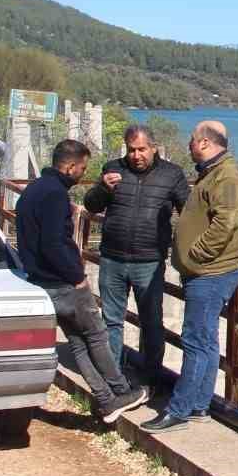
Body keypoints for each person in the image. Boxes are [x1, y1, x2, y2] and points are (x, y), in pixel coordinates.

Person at [16, 138, 149, 424]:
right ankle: (121, 391)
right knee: (96, 335)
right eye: (82, 168)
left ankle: (105, 400)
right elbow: (54, 242)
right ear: (71, 166)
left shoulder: (34, 190)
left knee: (77, 341)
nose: (81, 174)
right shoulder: (54, 195)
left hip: (40, 280)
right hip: (62, 282)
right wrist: (76, 276)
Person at [143, 120, 238, 432]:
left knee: (195, 341)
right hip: (207, 272)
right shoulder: (214, 173)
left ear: (204, 143)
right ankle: (200, 406)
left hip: (210, 273)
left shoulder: (227, 176)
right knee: (206, 341)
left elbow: (226, 222)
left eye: (192, 140)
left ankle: (179, 409)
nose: (189, 145)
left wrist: (195, 255)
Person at [82, 123, 191, 384]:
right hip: (112, 259)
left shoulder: (172, 174)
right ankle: (113, 380)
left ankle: (151, 378)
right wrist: (102, 188)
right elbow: (91, 205)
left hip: (150, 262)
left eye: (142, 149)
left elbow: (189, 212)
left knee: (151, 323)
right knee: (111, 322)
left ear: (153, 148)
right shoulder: (112, 169)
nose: (136, 155)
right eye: (132, 150)